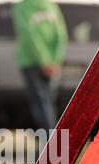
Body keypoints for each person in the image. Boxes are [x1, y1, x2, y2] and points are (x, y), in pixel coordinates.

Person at [13, 0, 68, 135]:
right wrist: (55, 61)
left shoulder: (21, 8)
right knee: (48, 103)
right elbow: (61, 36)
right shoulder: (51, 6)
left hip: (32, 63)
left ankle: (50, 145)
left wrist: (44, 62)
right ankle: (52, 144)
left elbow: (29, 36)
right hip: (52, 65)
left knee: (41, 105)